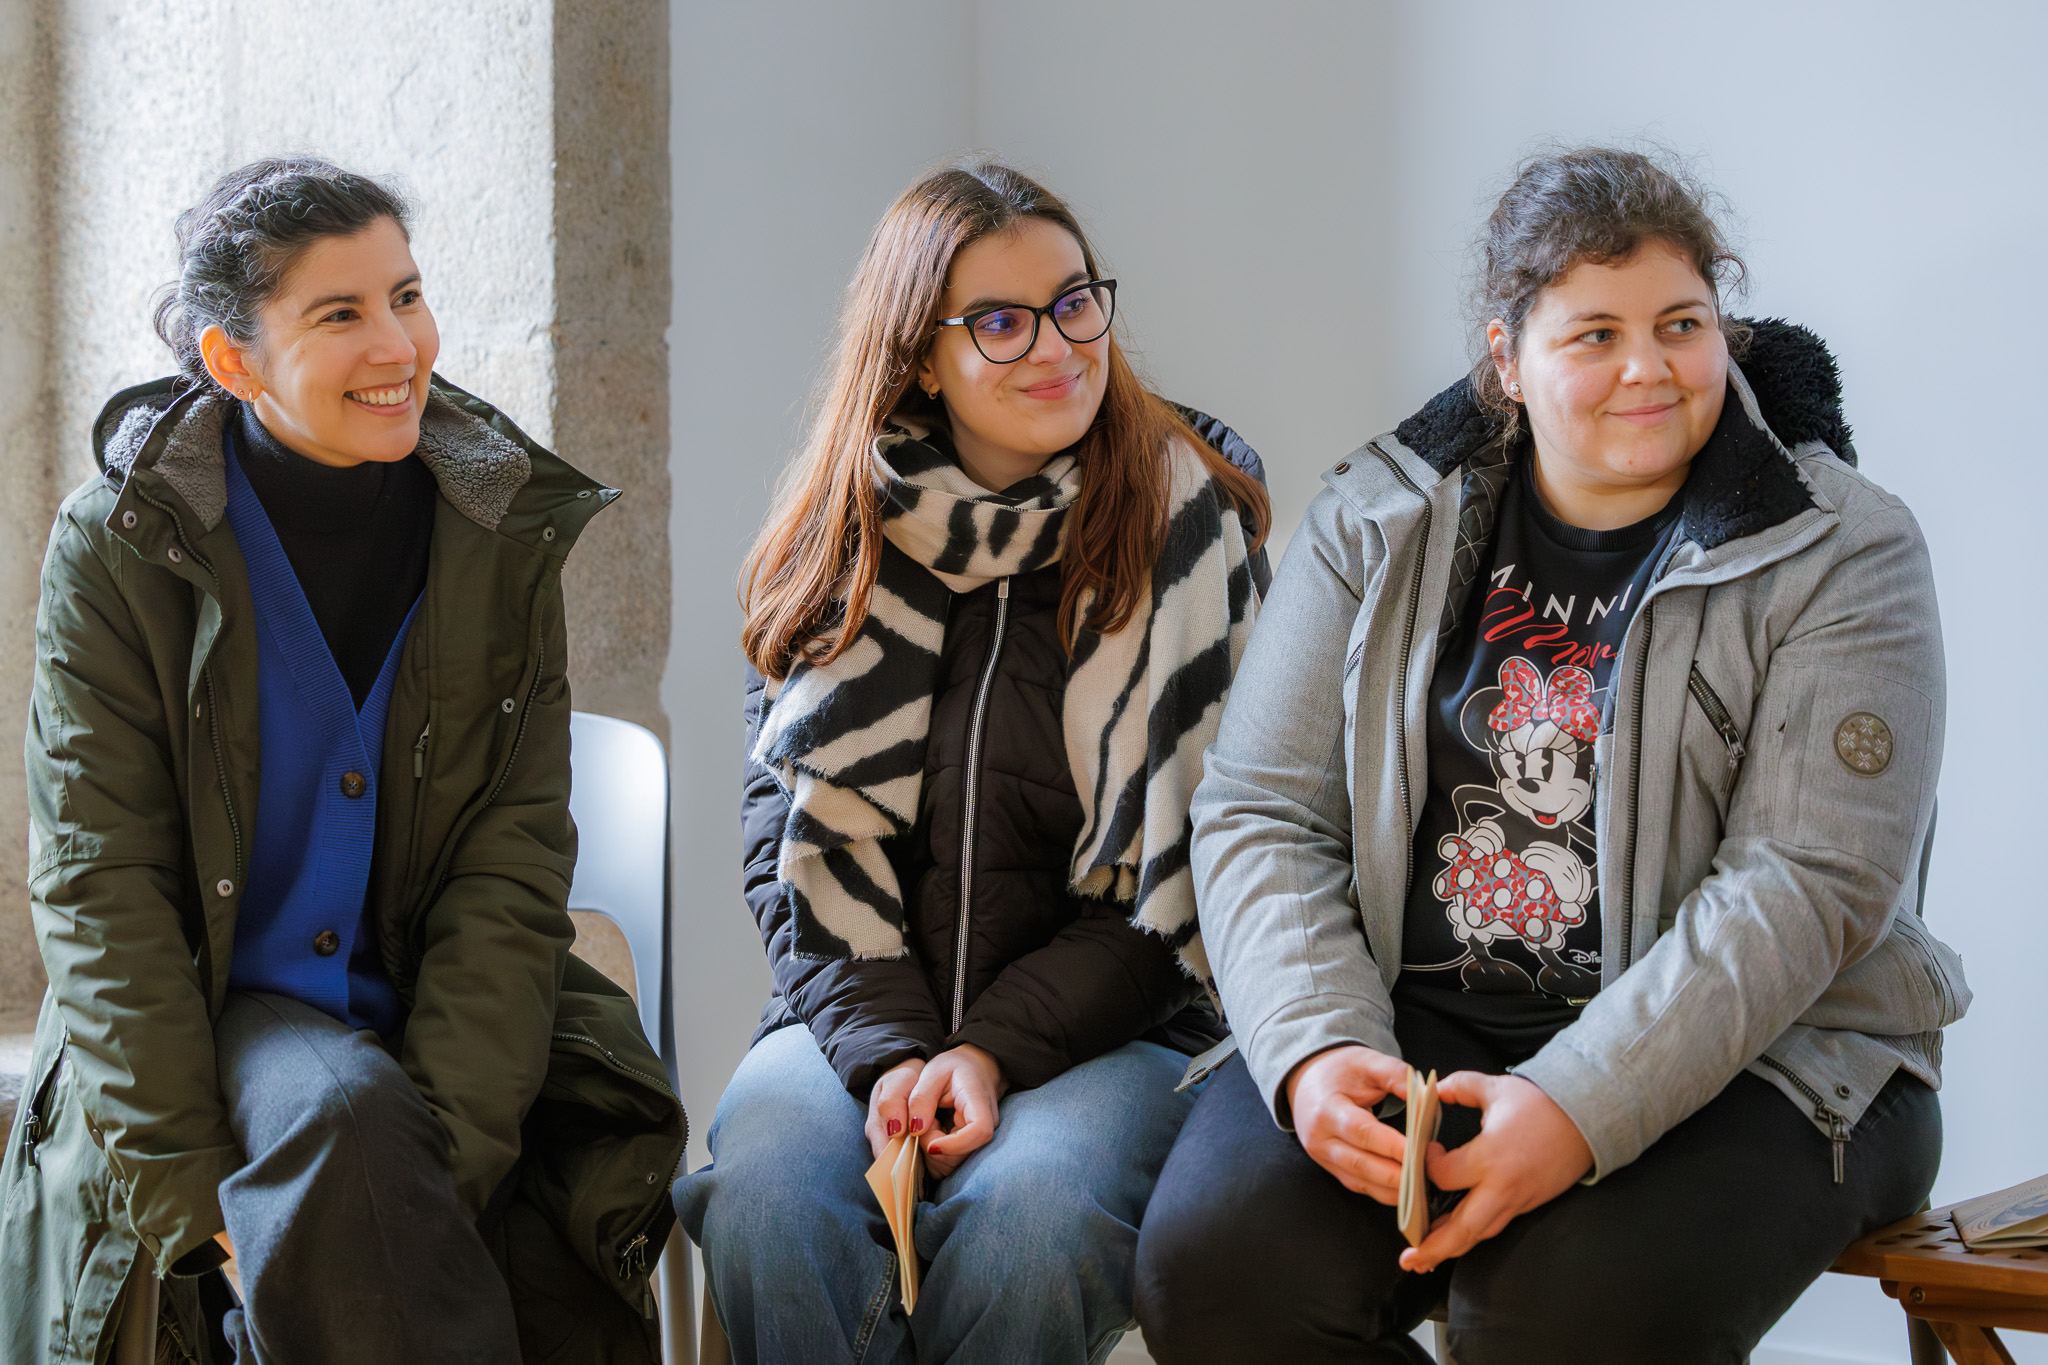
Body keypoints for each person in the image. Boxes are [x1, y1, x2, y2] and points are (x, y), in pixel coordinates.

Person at [1134, 147, 1970, 1364]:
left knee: (1555, 1316)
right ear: (1506, 359)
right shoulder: (1374, 519)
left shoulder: (1844, 547)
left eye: (1680, 324)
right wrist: (1318, 1047)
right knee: (1216, 1272)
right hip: (1420, 1014)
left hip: (1782, 1056)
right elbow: (1264, 810)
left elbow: (1804, 883)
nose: (1647, 368)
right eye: (1593, 334)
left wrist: (1577, 1105)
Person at [0, 158, 685, 1364]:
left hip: (440, 1006)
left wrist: (435, 1171)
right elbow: (101, 893)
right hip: (216, 1007)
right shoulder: (117, 550)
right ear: (232, 361)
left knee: (428, 1155)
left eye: (407, 296)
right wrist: (196, 1199)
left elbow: (511, 863)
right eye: (340, 313)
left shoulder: (499, 532)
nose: (399, 345)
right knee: (343, 1111)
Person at [675, 158, 1271, 1365]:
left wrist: (988, 1051)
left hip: (1123, 1028)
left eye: (1073, 302)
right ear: (917, 358)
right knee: (771, 1204)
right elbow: (785, 851)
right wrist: (893, 1053)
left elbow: (1193, 872)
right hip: (852, 1017)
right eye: (998, 322)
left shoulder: (1190, 524)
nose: (1056, 346)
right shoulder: (834, 538)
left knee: (1024, 1228)